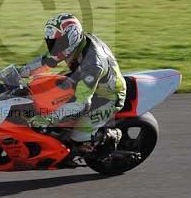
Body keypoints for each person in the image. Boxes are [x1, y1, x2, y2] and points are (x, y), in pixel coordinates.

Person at [17, 13, 126, 156]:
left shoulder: (92, 64)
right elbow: (47, 61)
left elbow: (82, 103)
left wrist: (47, 120)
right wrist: (19, 72)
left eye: (57, 42)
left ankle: (110, 136)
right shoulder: (73, 45)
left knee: (79, 137)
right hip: (83, 81)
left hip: (107, 97)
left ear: (71, 38)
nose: (53, 47)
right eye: (51, 42)